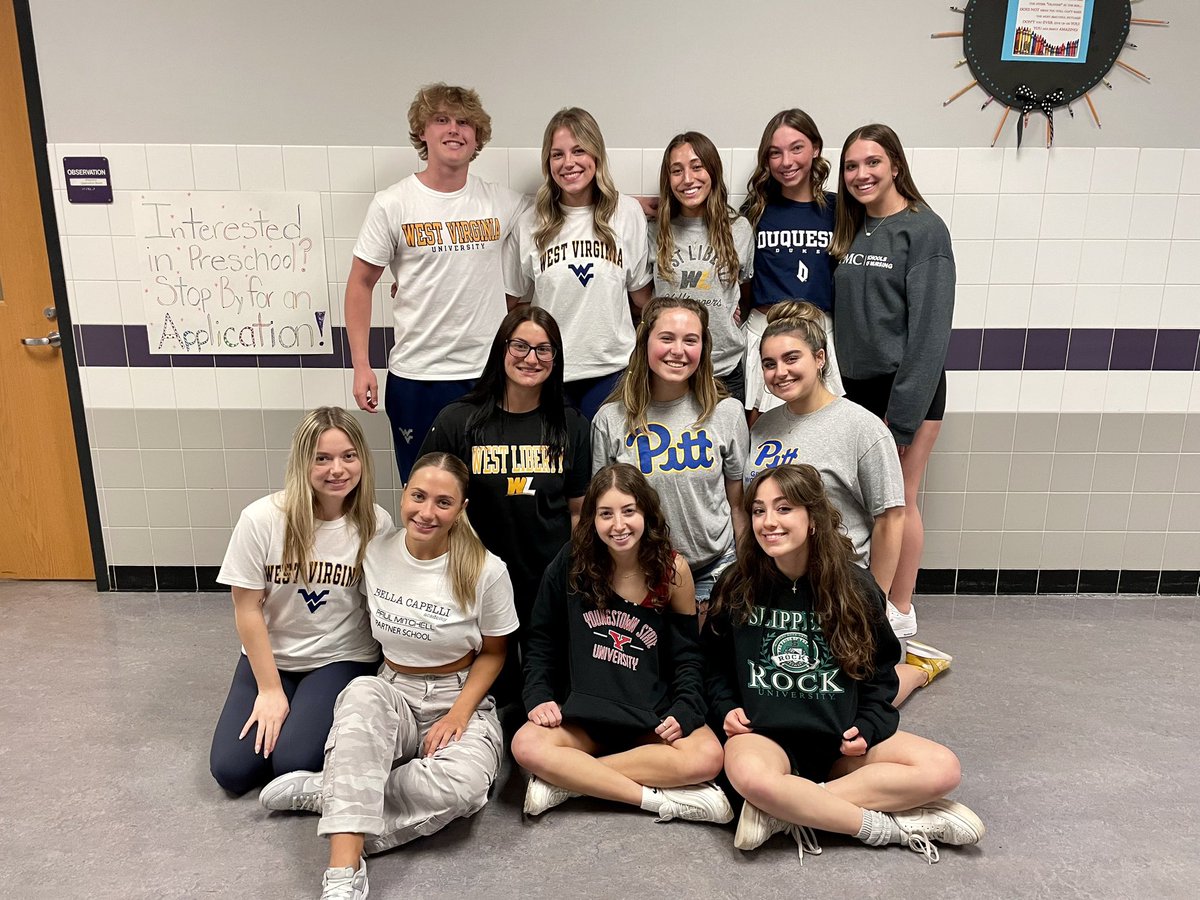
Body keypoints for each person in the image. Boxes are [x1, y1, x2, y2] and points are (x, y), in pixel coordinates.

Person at [259, 453, 518, 900]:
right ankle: (342, 876)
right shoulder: (376, 553)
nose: (426, 512)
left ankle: (335, 790)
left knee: (466, 788)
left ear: (461, 509)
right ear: (403, 497)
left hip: (460, 695)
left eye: (443, 502)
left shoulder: (487, 570)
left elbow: (495, 653)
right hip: (394, 686)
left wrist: (458, 714)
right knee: (360, 693)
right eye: (418, 497)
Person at [705, 465, 984, 863]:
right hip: (765, 737)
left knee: (943, 769)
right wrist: (725, 707)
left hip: (838, 740)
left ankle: (784, 811)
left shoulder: (855, 587)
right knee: (750, 777)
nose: (769, 522)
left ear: (814, 518)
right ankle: (891, 829)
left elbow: (881, 674)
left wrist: (869, 727)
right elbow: (713, 666)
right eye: (759, 511)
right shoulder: (735, 583)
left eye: (784, 509)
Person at [744, 302, 947, 703]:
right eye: (769, 364)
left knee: (852, 701)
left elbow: (891, 518)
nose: (780, 372)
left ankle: (916, 671)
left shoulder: (861, 428)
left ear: (819, 359)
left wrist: (877, 601)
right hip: (777, 585)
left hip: (839, 585)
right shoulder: (764, 427)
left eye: (791, 358)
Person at [512, 463, 731, 824]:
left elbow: (689, 656)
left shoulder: (673, 571)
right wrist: (538, 695)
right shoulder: (570, 562)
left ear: (646, 511)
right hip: (585, 718)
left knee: (708, 756)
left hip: (649, 720)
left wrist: (687, 708)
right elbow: (541, 639)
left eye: (629, 511)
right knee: (526, 744)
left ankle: (572, 779)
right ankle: (656, 800)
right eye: (605, 514)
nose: (618, 525)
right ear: (592, 519)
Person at [345, 83, 527, 480]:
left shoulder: (501, 202)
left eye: (464, 123)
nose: (454, 130)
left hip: (486, 376)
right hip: (418, 376)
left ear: (477, 137)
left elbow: (566, 206)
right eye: (441, 120)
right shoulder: (393, 203)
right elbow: (360, 283)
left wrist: (626, 203)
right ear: (422, 132)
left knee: (486, 494)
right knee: (425, 490)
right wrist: (362, 365)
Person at [210, 407, 388, 795]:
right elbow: (246, 608)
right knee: (232, 770)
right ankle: (285, 698)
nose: (336, 469)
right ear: (301, 461)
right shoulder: (261, 520)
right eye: (321, 458)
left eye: (348, 456)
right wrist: (270, 691)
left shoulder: (376, 523)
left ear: (362, 460)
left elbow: (383, 607)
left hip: (340, 657)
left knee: (294, 762)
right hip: (274, 656)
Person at [420, 306, 591, 701]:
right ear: (502, 349)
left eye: (543, 350)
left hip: (546, 578)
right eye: (520, 346)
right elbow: (429, 502)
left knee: (545, 689)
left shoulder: (572, 425)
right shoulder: (458, 421)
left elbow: (578, 510)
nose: (531, 359)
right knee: (493, 691)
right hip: (474, 578)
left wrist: (574, 575)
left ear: (556, 358)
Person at [831, 124, 955, 646]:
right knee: (867, 503)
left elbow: (931, 331)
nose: (861, 174)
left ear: (896, 165)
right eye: (852, 166)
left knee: (900, 498)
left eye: (873, 162)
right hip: (855, 387)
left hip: (907, 388)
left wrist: (902, 415)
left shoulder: (924, 230)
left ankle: (900, 613)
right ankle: (870, 603)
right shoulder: (854, 226)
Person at [592, 296, 749, 616]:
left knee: (705, 665)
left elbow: (738, 505)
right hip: (639, 575)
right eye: (666, 338)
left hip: (714, 571)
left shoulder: (727, 412)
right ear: (644, 342)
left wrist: (745, 573)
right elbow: (600, 513)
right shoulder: (610, 419)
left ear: (703, 349)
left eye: (690, 340)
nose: (678, 350)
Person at [506, 107, 653, 419]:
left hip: (614, 372)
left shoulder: (626, 213)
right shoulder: (530, 222)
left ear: (596, 155)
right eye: (557, 154)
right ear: (548, 162)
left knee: (609, 469)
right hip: (549, 373)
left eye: (579, 150)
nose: (568, 163)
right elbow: (508, 303)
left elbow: (643, 297)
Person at [740, 109, 843, 423]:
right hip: (764, 333)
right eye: (775, 153)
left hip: (819, 333)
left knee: (824, 430)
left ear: (815, 148)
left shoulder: (839, 209)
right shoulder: (754, 210)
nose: (786, 162)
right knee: (762, 438)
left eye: (796, 148)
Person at [650, 131, 754, 402]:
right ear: (668, 179)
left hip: (723, 368)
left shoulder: (739, 229)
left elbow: (744, 291)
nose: (688, 179)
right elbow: (642, 297)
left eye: (697, 167)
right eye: (677, 170)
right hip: (669, 368)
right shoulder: (655, 232)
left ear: (713, 171)